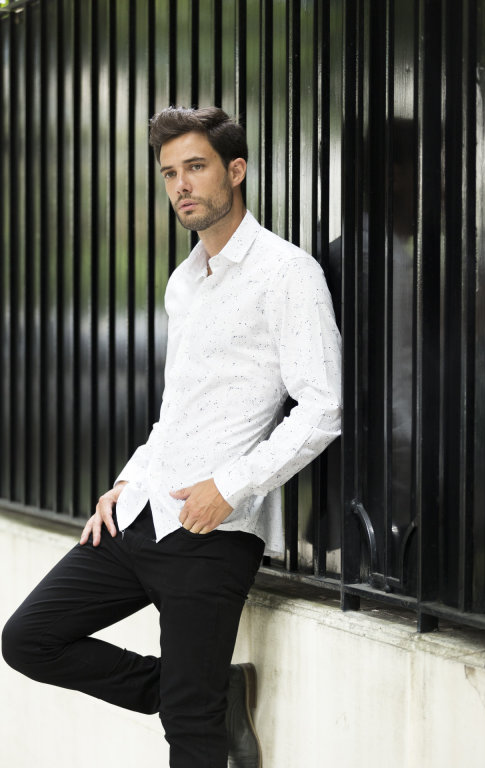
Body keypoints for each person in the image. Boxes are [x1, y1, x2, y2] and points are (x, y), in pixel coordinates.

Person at [2, 106, 342, 768]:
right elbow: (176, 409)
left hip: (213, 533)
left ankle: (198, 697)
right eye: (168, 173)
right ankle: (205, 690)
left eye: (195, 167)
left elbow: (322, 408)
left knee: (191, 735)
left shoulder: (287, 272)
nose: (181, 185)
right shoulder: (183, 282)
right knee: (29, 640)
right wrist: (128, 478)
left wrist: (230, 487)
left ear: (235, 171)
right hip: (139, 514)